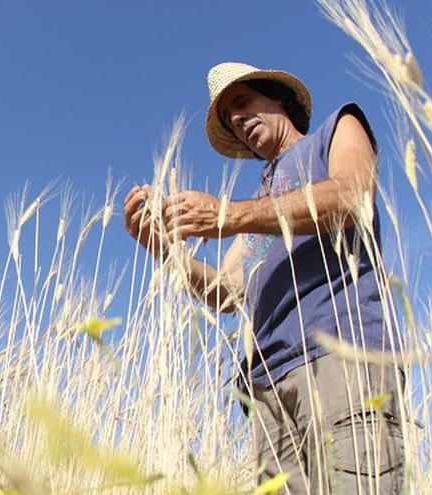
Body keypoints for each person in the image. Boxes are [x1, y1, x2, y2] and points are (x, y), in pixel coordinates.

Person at [123, 62, 403, 493]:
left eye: (243, 102)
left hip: (339, 359)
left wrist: (230, 215)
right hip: (267, 386)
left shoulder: (335, 129)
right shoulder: (259, 202)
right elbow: (227, 292)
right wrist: (163, 250)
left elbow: (352, 195)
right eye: (229, 121)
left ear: (279, 98)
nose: (237, 120)